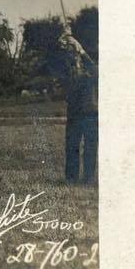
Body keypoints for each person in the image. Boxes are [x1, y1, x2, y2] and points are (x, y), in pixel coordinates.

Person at [60, 28, 98, 184]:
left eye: (73, 51)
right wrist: (65, 42)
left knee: (90, 147)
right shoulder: (67, 68)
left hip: (90, 113)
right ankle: (71, 179)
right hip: (74, 112)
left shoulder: (90, 67)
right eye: (70, 52)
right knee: (71, 146)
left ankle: (88, 179)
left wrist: (80, 50)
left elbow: (95, 71)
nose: (72, 54)